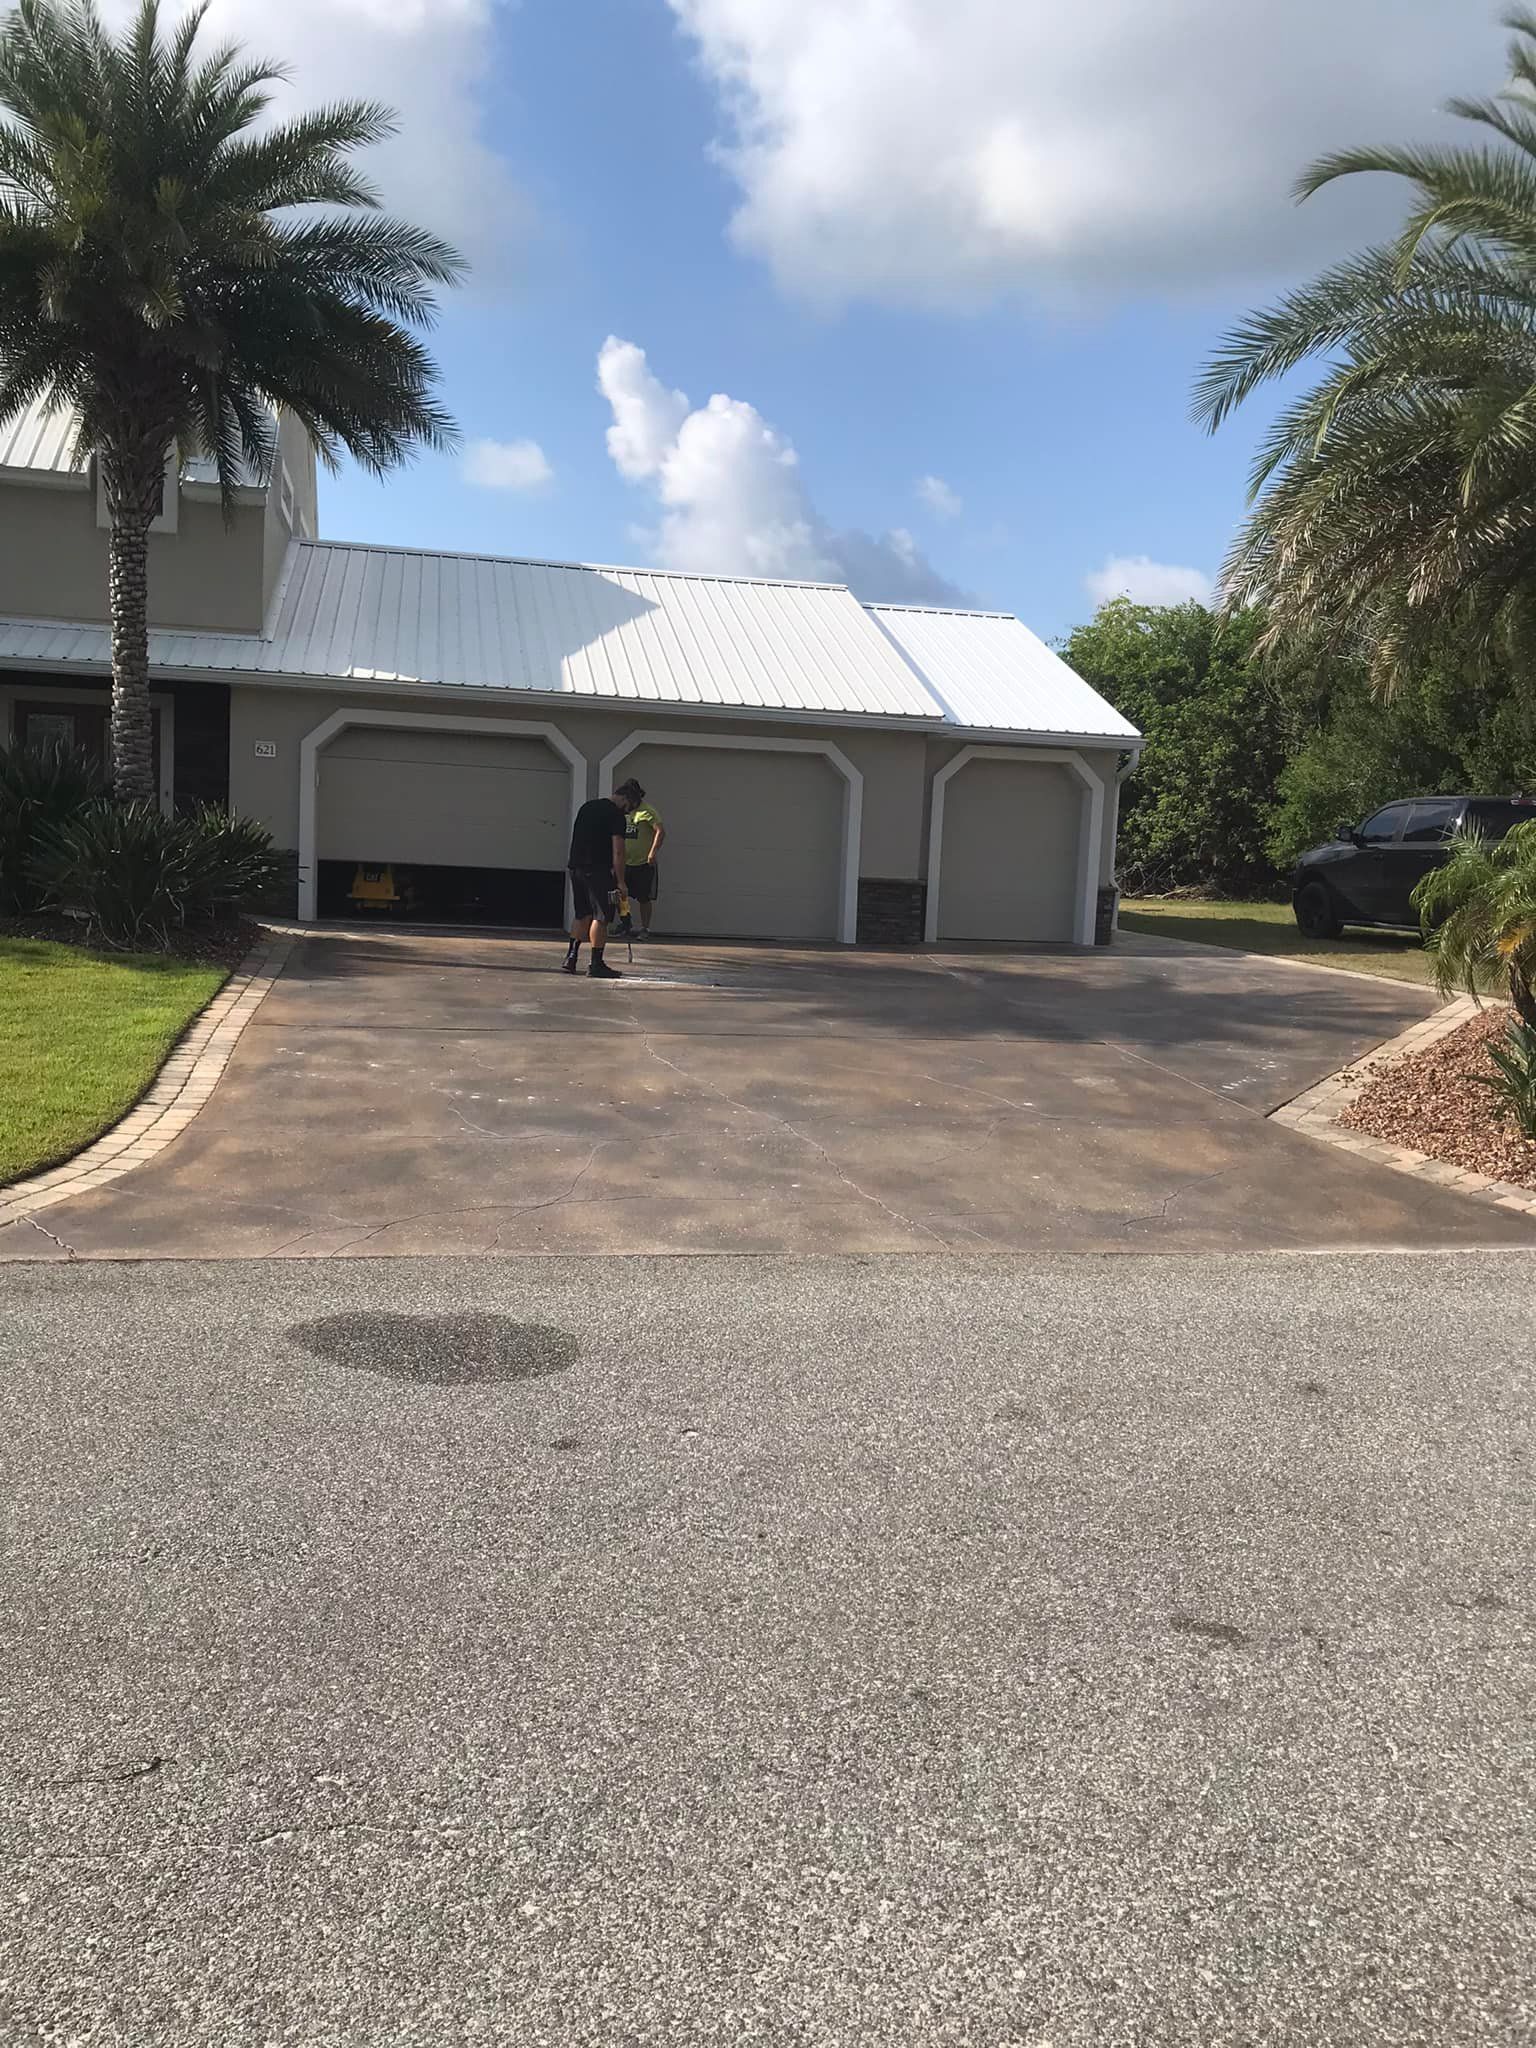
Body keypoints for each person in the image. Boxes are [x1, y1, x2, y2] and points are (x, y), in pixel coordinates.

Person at [562, 778, 642, 979]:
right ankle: (596, 964)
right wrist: (621, 881)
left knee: (582, 914)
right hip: (597, 870)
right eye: (629, 807)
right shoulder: (616, 815)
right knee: (602, 916)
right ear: (624, 798)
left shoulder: (587, 807)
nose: (628, 812)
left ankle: (570, 958)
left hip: (576, 867)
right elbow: (618, 852)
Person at [623, 796, 665, 937]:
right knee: (621, 893)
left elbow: (660, 831)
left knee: (644, 897)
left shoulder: (648, 811)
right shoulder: (625, 810)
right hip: (625, 861)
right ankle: (625, 923)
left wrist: (652, 852)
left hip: (643, 863)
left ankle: (645, 928)